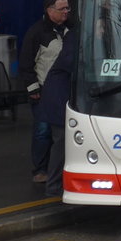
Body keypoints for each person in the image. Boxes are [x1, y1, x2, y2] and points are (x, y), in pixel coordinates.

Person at [20, 0, 73, 184]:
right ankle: (40, 169)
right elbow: (26, 63)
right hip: (43, 90)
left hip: (66, 90)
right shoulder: (37, 33)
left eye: (67, 8)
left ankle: (57, 168)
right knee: (43, 131)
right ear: (50, 11)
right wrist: (33, 89)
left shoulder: (70, 30)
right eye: (62, 9)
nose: (66, 12)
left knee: (63, 132)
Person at [39, 28, 76, 198]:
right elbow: (70, 62)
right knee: (61, 142)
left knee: (61, 142)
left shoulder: (75, 35)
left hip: (60, 97)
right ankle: (53, 186)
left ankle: (56, 184)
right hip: (58, 99)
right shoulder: (77, 36)